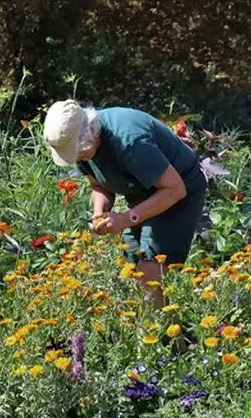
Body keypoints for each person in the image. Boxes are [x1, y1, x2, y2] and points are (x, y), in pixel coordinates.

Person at [43, 100, 206, 306]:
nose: (77, 158)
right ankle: (169, 333)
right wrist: (99, 212)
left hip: (178, 192)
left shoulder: (129, 141)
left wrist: (126, 218)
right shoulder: (80, 141)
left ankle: (158, 335)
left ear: (90, 134)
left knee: (149, 273)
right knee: (131, 263)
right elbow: (99, 185)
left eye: (77, 152)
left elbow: (175, 189)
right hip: (141, 194)